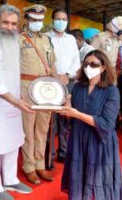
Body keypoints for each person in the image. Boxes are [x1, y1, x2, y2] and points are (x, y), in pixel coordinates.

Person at [0, 4, 33, 200]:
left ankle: (10, 179)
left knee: (12, 142)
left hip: (13, 102)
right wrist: (16, 101)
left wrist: (17, 101)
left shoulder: (13, 42)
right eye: (5, 23)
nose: (10, 27)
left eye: (13, 24)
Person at [59, 50, 122, 200]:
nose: (89, 67)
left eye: (94, 64)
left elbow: (107, 124)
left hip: (100, 142)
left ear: (103, 68)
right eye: (86, 64)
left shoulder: (112, 91)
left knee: (99, 181)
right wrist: (67, 105)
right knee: (79, 177)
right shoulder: (77, 88)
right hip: (78, 139)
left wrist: (77, 114)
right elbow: (69, 117)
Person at [20, 4, 57, 184]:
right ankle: (29, 166)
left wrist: (58, 88)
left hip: (46, 88)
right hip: (26, 87)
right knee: (28, 128)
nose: (36, 23)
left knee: (43, 128)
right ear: (26, 20)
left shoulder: (47, 40)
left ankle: (40, 164)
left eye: (40, 20)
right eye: (33, 20)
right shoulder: (19, 39)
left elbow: (53, 65)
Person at [47, 9, 80, 166]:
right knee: (50, 120)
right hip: (50, 82)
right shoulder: (46, 37)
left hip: (68, 82)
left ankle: (63, 152)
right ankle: (49, 155)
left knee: (65, 119)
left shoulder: (71, 39)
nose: (61, 21)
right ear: (52, 20)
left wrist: (67, 74)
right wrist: (55, 75)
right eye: (58, 18)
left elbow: (76, 60)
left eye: (64, 19)